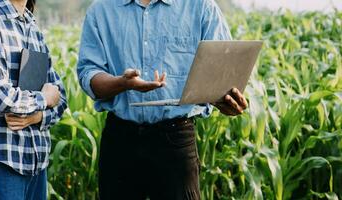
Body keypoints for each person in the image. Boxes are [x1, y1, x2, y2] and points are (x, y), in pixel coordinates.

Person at [77, 0, 248, 199]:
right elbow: (89, 74)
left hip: (176, 140)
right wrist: (123, 82)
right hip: (120, 140)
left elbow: (223, 73)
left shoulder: (201, 7)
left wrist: (226, 100)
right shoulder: (101, 10)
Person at [0, 0, 67, 199]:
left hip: (36, 167)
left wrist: (35, 117)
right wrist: (44, 99)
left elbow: (60, 97)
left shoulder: (33, 28)